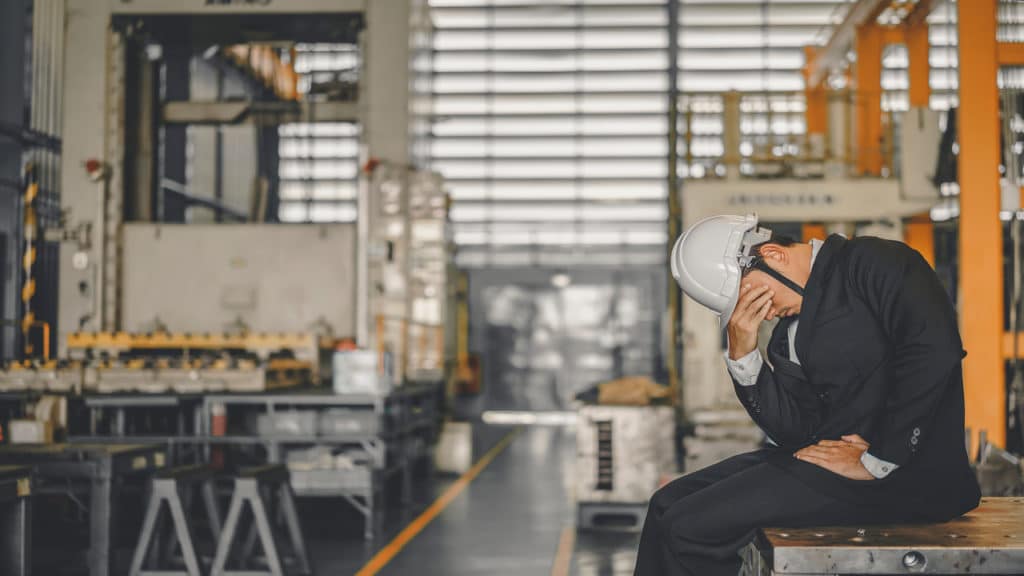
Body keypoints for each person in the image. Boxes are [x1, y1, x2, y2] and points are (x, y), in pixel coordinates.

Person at [634, 214, 981, 576]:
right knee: (666, 505)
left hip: (903, 475)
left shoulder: (874, 263)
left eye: (749, 295)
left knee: (690, 528)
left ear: (772, 254)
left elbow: (933, 348)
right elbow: (794, 433)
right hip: (831, 463)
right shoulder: (788, 335)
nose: (763, 314)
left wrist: (878, 459)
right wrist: (744, 358)